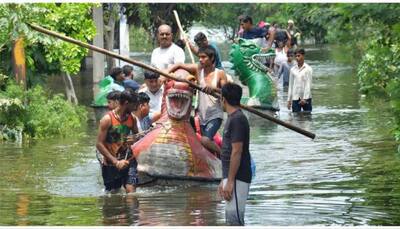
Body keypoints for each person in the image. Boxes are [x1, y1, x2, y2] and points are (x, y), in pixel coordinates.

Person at [168, 46, 228, 156]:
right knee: (205, 143)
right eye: (199, 57)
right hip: (200, 115)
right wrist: (165, 74)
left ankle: (224, 156)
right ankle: (216, 159)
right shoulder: (198, 69)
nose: (200, 60)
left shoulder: (220, 74)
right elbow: (180, 65)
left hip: (215, 115)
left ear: (212, 58)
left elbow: (227, 93)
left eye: (204, 57)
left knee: (205, 140)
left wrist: (214, 89)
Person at [218, 83, 252, 226]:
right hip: (232, 177)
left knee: (235, 221)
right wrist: (224, 179)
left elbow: (237, 151)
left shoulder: (237, 119)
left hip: (237, 177)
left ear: (223, 99)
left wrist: (230, 181)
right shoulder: (232, 118)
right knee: (231, 219)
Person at [96, 90, 140, 193]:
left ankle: (132, 209)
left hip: (129, 159)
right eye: (135, 105)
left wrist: (135, 139)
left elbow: (137, 137)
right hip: (111, 162)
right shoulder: (107, 119)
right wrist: (116, 162)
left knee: (131, 192)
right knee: (113, 193)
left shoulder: (132, 118)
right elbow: (99, 144)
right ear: (126, 103)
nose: (136, 108)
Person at [287, 48, 313, 113]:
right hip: (295, 97)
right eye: (295, 56)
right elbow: (291, 85)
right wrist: (289, 100)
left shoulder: (308, 69)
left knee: (307, 117)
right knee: (295, 117)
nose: (297, 58)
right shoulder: (293, 69)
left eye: (299, 56)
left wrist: (305, 98)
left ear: (303, 56)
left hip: (307, 98)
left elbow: (308, 85)